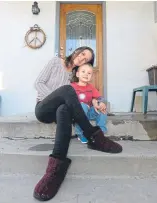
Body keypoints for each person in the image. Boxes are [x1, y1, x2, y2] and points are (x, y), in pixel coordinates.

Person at [33, 46, 123, 201]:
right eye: (82, 54)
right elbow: (38, 83)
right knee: (67, 92)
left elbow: (82, 98)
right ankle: (93, 136)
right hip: (43, 107)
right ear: (76, 52)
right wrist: (57, 96)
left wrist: (96, 103)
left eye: (86, 59)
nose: (82, 58)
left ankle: (55, 170)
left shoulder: (74, 78)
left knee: (63, 109)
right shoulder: (56, 62)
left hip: (57, 112)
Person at [71, 63, 107, 144]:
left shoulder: (91, 87)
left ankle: (100, 132)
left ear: (91, 76)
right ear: (77, 74)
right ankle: (80, 133)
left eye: (89, 73)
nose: (86, 74)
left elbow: (99, 98)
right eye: (83, 71)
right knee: (82, 106)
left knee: (102, 108)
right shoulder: (72, 87)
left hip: (88, 113)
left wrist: (100, 103)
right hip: (76, 115)